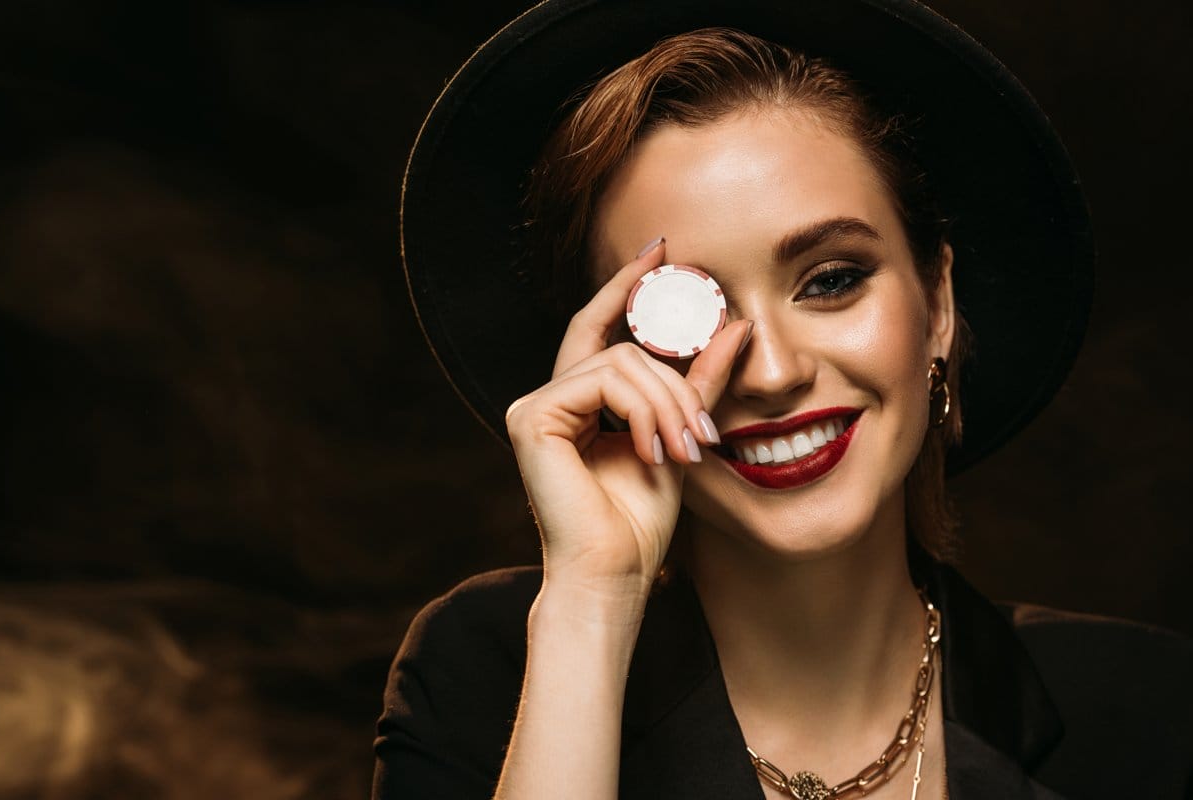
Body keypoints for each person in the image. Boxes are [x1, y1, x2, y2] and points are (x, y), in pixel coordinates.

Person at [375, 2, 1193, 799]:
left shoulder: (1153, 711)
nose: (769, 374)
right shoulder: (485, 672)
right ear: (610, 365)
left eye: (831, 280)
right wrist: (593, 600)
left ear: (938, 304)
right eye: (689, 314)